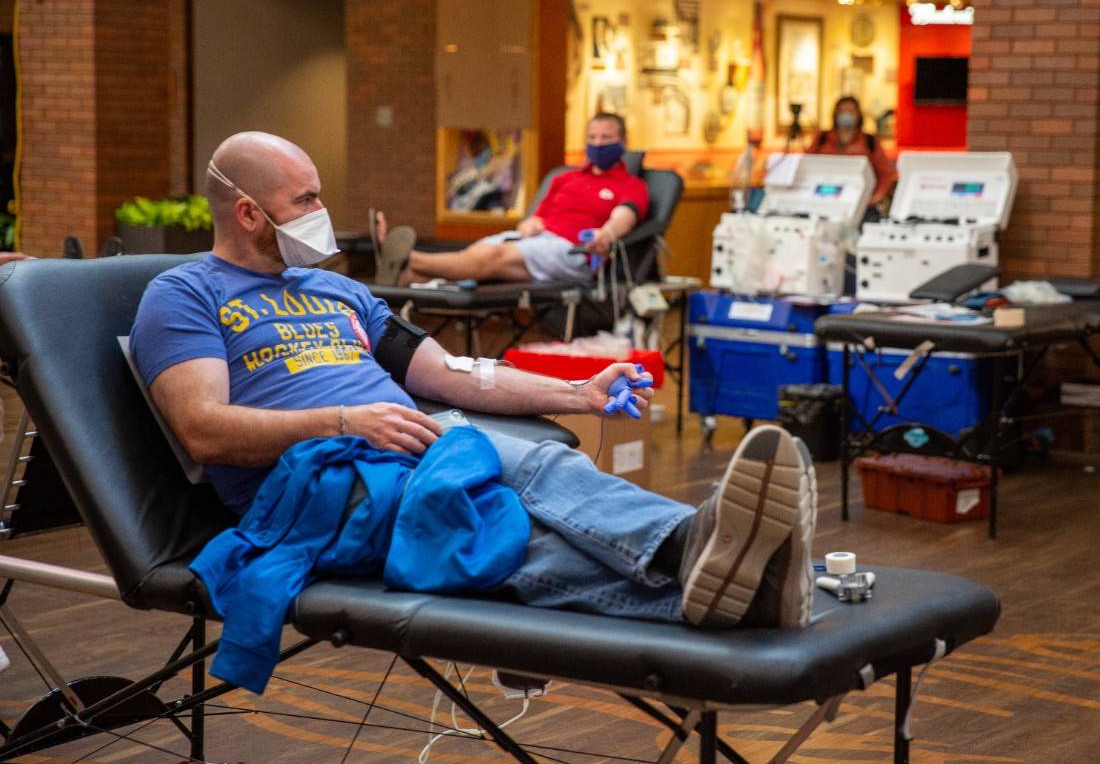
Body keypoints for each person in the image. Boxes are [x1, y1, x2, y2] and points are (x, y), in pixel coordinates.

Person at [131, 131, 815, 634]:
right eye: (304, 198)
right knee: (496, 530)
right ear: (249, 212)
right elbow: (203, 427)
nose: (320, 210)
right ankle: (741, 582)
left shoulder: (337, 290)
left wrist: (577, 391)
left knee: (538, 459)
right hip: (317, 485)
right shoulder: (185, 293)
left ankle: (690, 544)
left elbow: (455, 373)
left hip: (418, 445)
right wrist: (343, 422)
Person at [378, 113, 648, 286]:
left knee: (493, 255)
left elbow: (623, 216)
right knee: (474, 255)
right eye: (592, 137)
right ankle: (404, 276)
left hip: (576, 252)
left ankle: (407, 257)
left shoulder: (632, 185)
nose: (598, 143)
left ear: (623, 141)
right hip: (535, 241)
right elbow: (536, 217)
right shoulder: (564, 178)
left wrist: (607, 234)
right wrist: (528, 225)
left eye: (606, 137)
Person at [807, 95, 896, 207]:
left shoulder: (870, 141)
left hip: (860, 202)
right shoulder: (822, 138)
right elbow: (807, 167)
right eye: (842, 111)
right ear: (835, 114)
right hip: (823, 198)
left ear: (858, 115)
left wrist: (875, 197)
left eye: (850, 111)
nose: (846, 115)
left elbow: (886, 174)